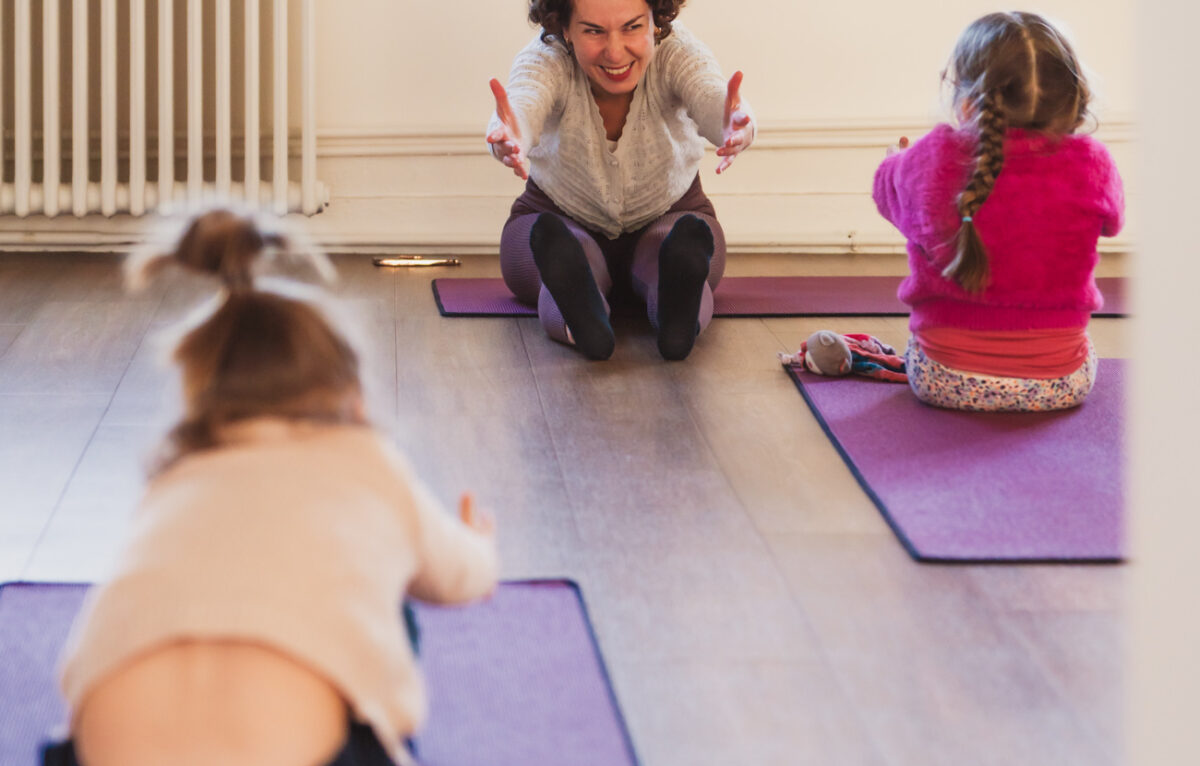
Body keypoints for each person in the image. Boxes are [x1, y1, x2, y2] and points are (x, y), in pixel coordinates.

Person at [41, 209, 498, 766]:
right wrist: (480, 545)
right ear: (351, 393)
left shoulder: (177, 474)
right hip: (286, 748)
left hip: (101, 745)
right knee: (390, 607)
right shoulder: (368, 462)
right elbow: (459, 578)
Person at [873, 12, 1124, 412]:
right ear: (1072, 98)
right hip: (1061, 383)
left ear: (969, 102)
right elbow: (1114, 222)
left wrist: (898, 162)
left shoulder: (934, 156)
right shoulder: (1094, 161)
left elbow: (888, 197)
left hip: (943, 379)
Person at [487, 0, 755, 360]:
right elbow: (523, 104)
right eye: (593, 31)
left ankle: (678, 315)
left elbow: (712, 97)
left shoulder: (677, 52)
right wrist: (510, 136)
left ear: (654, 22)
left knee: (685, 249)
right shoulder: (545, 58)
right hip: (560, 216)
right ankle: (584, 321)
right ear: (564, 28)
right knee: (540, 249)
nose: (615, 52)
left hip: (668, 216)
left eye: (631, 27)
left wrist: (733, 124)